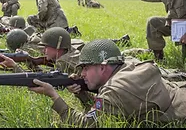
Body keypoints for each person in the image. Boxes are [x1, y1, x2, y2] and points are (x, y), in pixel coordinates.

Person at [28, 39, 186, 127]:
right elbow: (107, 108)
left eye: (86, 68)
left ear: (103, 68)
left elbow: (87, 124)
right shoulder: (129, 64)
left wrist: (54, 96)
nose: (81, 73)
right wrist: (82, 94)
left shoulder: (114, 90)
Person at [0, 27, 82, 74]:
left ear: (58, 47)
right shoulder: (70, 52)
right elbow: (45, 74)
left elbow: (42, 81)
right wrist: (29, 61)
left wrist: (15, 66)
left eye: (46, 47)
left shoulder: (63, 62)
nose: (44, 50)